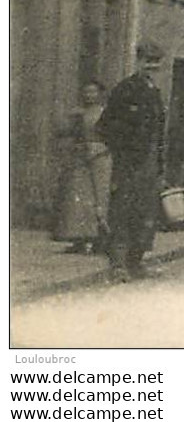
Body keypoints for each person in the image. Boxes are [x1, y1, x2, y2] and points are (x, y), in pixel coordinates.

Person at [96, 47, 167, 281]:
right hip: (129, 163)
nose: (152, 67)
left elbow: (159, 132)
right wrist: (124, 151)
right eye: (148, 62)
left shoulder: (153, 91)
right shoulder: (125, 90)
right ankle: (117, 265)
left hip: (149, 163)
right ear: (138, 61)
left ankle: (135, 262)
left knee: (145, 213)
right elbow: (104, 126)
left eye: (156, 63)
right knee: (123, 211)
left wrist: (158, 164)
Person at [53, 80, 112, 254]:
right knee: (78, 199)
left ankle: (99, 240)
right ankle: (78, 239)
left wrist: (98, 148)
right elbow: (65, 133)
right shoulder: (77, 113)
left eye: (93, 92)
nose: (89, 95)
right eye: (86, 92)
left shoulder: (106, 113)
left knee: (99, 198)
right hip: (80, 158)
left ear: (100, 94)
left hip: (101, 158)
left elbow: (113, 137)